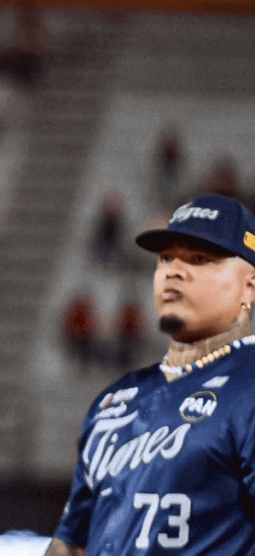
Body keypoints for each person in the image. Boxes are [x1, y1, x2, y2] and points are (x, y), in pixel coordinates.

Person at [46, 193, 255, 555]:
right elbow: (70, 544)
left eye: (200, 259)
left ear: (249, 287)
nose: (174, 270)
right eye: (167, 257)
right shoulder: (115, 400)